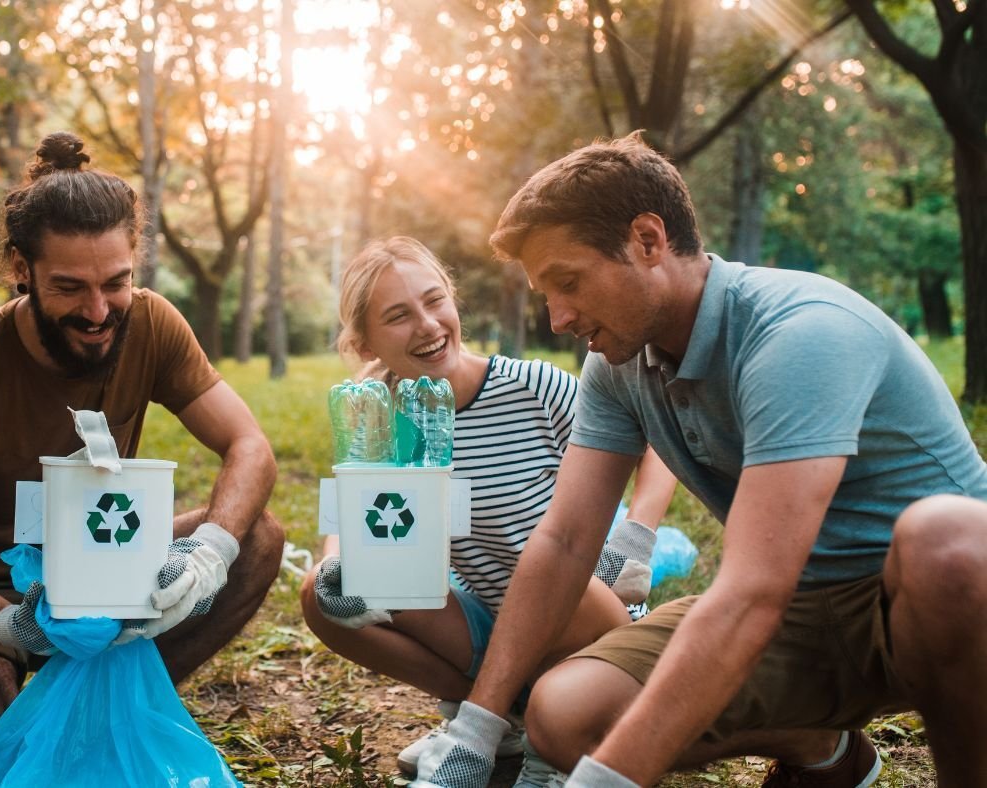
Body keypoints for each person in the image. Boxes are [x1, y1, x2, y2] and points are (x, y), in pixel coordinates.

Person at [409, 133, 987, 788]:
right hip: (800, 616)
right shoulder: (616, 366)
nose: (560, 317)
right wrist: (477, 729)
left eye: (568, 283)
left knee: (949, 541)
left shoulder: (799, 333)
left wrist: (606, 782)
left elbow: (751, 593)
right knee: (565, 713)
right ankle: (824, 750)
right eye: (547, 293)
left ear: (648, 241)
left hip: (925, 607)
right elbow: (566, 542)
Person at [0, 131, 285, 782]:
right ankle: (36, 705)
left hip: (105, 575)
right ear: (21, 267)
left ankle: (101, 705)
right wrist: (13, 624)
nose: (99, 312)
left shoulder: (151, 325)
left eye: (116, 283)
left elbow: (250, 447)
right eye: (69, 288)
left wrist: (209, 556)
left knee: (256, 539)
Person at [300, 236, 678, 784]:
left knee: (548, 575)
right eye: (399, 316)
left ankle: (538, 738)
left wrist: (636, 535)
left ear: (454, 302)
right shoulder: (376, 407)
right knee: (319, 595)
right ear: (365, 343)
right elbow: (355, 505)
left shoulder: (533, 388)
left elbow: (654, 444)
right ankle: (495, 716)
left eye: (435, 301)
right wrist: (338, 566)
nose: (428, 325)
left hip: (588, 623)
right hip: (489, 623)